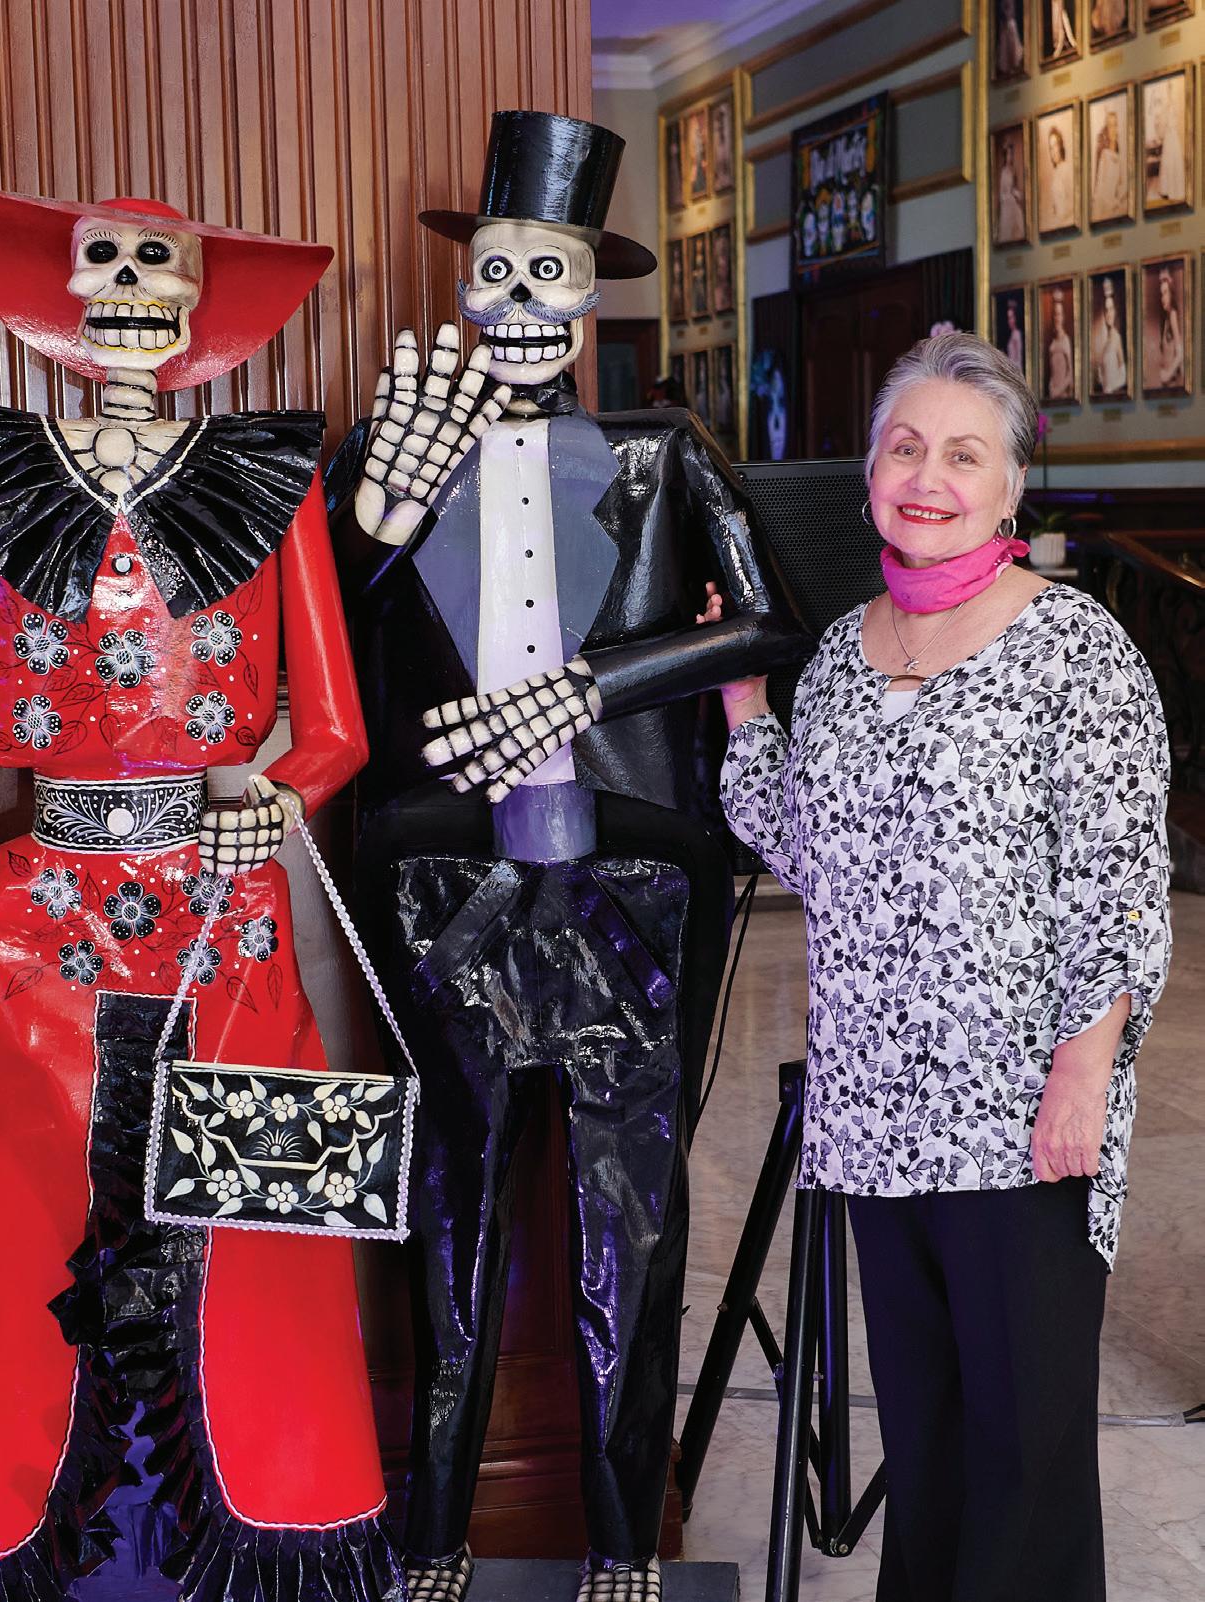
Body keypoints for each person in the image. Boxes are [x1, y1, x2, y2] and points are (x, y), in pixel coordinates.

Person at [334, 110, 806, 1602]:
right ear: (460, 289)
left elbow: (771, 622)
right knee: (450, 1208)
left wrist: (589, 688)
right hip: (443, 877)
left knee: (630, 1219)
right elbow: (322, 642)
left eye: (548, 271)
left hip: (633, 878)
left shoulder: (665, 455)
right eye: (494, 270)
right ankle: (433, 1534)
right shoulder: (391, 453)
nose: (519, 300)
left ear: (591, 295)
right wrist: (377, 517)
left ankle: (620, 1537)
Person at [0, 186, 399, 1600]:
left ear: (196, 306)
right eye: (105, 263)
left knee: (246, 1244)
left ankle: (252, 1539)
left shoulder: (269, 476)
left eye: (156, 264)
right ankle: (44, 1549)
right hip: (32, 921)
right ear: (63, 297)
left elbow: (337, 729)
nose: (128, 289)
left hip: (220, 908)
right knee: (20, 1246)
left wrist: (276, 798)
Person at [706, 331, 1171, 1602]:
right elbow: (810, 849)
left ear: (1011, 486)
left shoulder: (1076, 650)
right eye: (905, 449)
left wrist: (1085, 1075)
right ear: (869, 476)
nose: (928, 478)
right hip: (873, 1111)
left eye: (965, 456)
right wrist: (746, 711)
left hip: (1019, 1112)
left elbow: (1119, 884)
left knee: (1023, 1452)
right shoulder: (844, 653)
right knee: (926, 1443)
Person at [1148, 85, 1186, 205]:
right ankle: (1166, 189)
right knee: (1167, 161)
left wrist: (1170, 126)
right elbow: (1162, 124)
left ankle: (1175, 189)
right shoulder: (1165, 109)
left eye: (1170, 91)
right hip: (1169, 136)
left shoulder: (1174, 107)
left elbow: (1174, 121)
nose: (1169, 94)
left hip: (1172, 135)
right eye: (1168, 91)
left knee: (1174, 160)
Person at [1092, 106, 1128, 221]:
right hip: (1103, 206)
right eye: (1110, 126)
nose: (1113, 129)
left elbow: (1123, 183)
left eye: (1115, 125)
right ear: (1106, 129)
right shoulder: (1104, 155)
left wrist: (1118, 199)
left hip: (1115, 206)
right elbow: (1100, 186)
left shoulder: (1120, 156)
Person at [1096, 277, 1128, 396]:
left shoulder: (1117, 337)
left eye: (1111, 309)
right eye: (1106, 310)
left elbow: (1123, 375)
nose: (1109, 314)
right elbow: (1101, 375)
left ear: (1115, 311)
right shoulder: (1105, 341)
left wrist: (1111, 387)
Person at [1154, 268, 1184, 390]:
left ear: (1171, 293)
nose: (1163, 298)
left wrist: (1167, 374)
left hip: (1172, 383)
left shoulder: (1172, 314)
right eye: (1162, 294)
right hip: (1166, 385)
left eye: (1166, 293)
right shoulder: (1166, 318)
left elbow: (1180, 354)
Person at [1041, 124, 1073, 232]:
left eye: (1055, 145)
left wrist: (1060, 219)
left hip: (1067, 223)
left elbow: (1072, 203)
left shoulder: (1067, 169)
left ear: (1060, 146)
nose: (1053, 151)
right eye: (1050, 148)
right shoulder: (1056, 173)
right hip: (1058, 225)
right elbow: (1055, 205)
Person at [1048, 288, 1075, 400]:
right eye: (1055, 315)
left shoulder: (1066, 341)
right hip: (1053, 392)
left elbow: (1070, 373)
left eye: (1059, 314)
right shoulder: (1053, 343)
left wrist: (1057, 391)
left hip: (1062, 394)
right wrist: (1051, 386)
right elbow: (1052, 372)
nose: (1057, 318)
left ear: (1063, 317)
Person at [997, 138, 1025, 241]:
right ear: (1005, 156)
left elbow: (1014, 187)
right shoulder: (1003, 172)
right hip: (1007, 201)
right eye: (1008, 154)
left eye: (1011, 154)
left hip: (1012, 198)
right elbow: (1002, 192)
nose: (1010, 157)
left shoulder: (1013, 170)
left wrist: (1016, 193)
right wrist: (1008, 196)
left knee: (1019, 216)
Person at [997, 0, 1024, 76]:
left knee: (1012, 45)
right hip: (1006, 24)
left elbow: (1012, 10)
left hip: (1011, 23)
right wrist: (1006, 17)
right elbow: (1003, 9)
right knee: (1006, 45)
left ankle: (1013, 64)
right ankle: (1008, 67)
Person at [1004, 297, 1024, 372]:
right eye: (1008, 318)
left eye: (1011, 318)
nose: (1009, 321)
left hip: (1015, 370)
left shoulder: (1016, 334)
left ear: (1015, 318)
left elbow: (1018, 358)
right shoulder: (1013, 334)